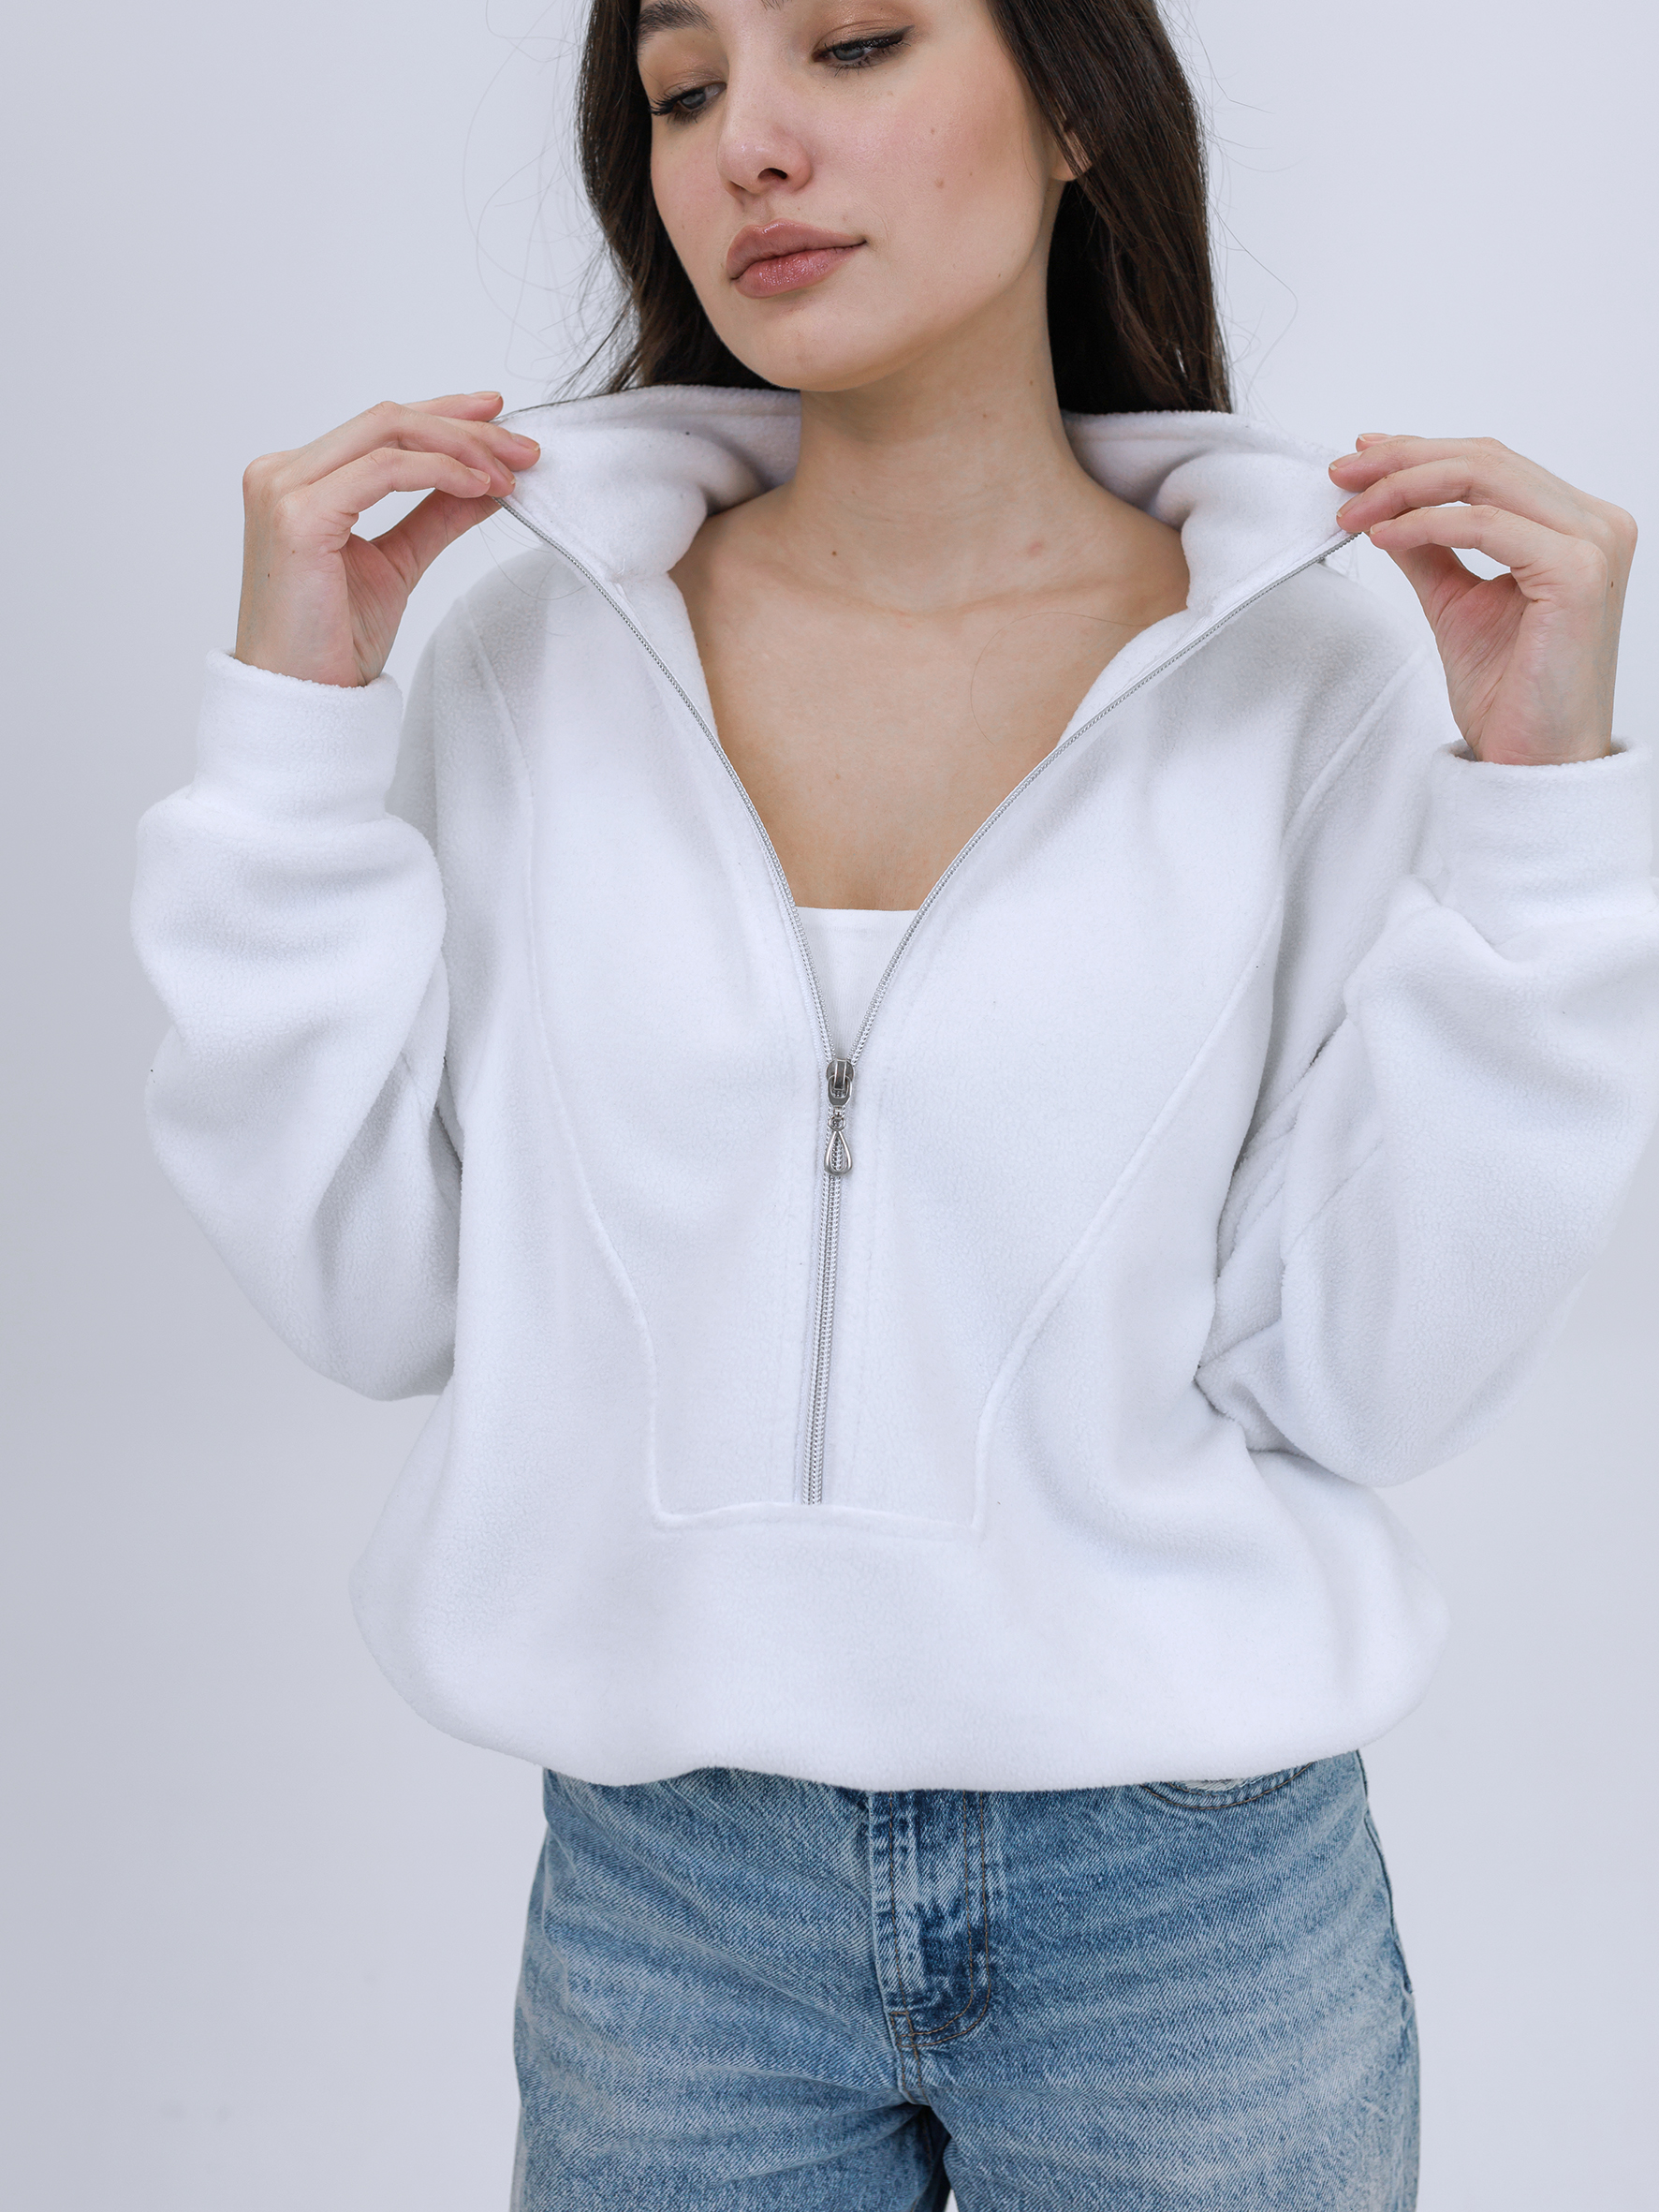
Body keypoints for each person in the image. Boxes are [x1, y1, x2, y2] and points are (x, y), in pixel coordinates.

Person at [131, 0, 1659, 2202]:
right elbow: (381, 1291)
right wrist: (289, 736)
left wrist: (1535, 818)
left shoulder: (1316, 666)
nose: (748, 142)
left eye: (849, 44)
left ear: (1072, 106)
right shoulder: (533, 652)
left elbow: (1371, 1375)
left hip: (1190, 1904)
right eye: (682, 92)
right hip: (671, 1902)